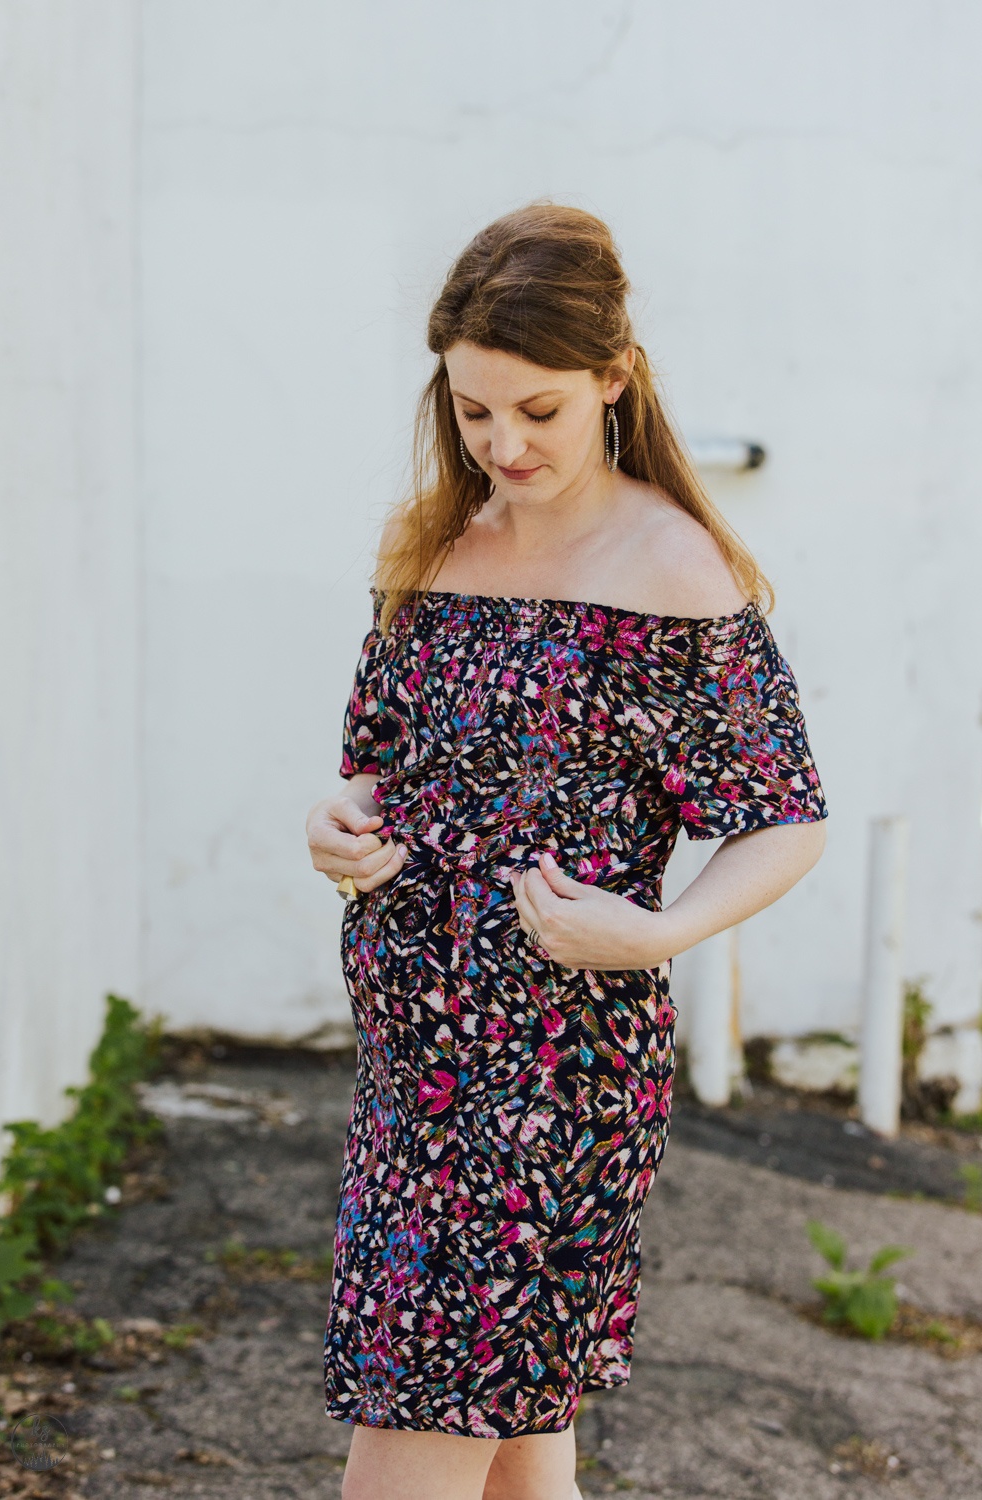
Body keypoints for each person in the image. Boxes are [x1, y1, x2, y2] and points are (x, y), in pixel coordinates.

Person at [305, 202, 828, 1500]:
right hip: (413, 1068)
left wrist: (658, 932)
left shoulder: (673, 571)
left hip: (551, 1081)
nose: (503, 444)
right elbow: (376, 758)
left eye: (536, 409)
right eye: (474, 410)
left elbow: (786, 815)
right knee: (521, 1467)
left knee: (415, 1451)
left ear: (613, 378)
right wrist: (341, 824)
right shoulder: (434, 538)